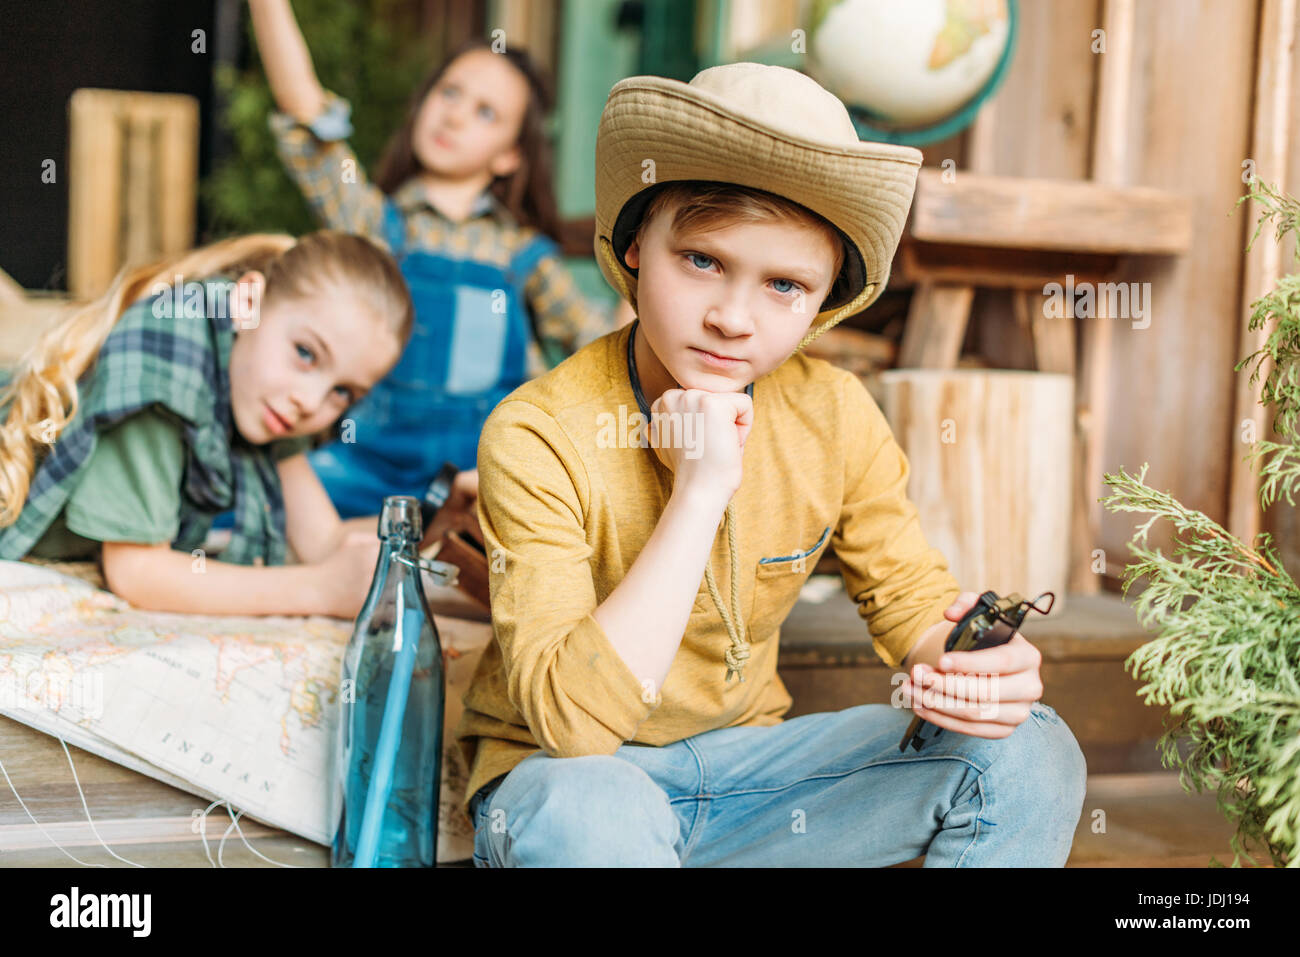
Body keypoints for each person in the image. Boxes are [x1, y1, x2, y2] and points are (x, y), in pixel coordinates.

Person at [454, 63, 1088, 867]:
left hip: (754, 781)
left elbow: (908, 601)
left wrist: (973, 669)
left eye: (783, 285)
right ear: (634, 247)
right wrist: (700, 489)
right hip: (571, 781)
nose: (731, 318)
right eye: (703, 261)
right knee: (594, 810)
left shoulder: (835, 413)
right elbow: (571, 726)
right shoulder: (537, 430)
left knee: (1029, 745)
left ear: (821, 306)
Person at [247, 0, 631, 523]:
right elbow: (308, 120)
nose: (454, 114)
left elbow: (613, 355)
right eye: (449, 92)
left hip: (478, 482)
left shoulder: (524, 257)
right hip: (363, 471)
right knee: (248, 507)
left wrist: (642, 272)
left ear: (509, 155)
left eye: (485, 112)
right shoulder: (372, 223)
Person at [0, 230, 412, 620]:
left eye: (343, 392)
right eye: (306, 353)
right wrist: (320, 590)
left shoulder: (269, 393)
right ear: (249, 302)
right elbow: (137, 570)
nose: (310, 401)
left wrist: (433, 521)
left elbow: (324, 542)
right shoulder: (164, 369)